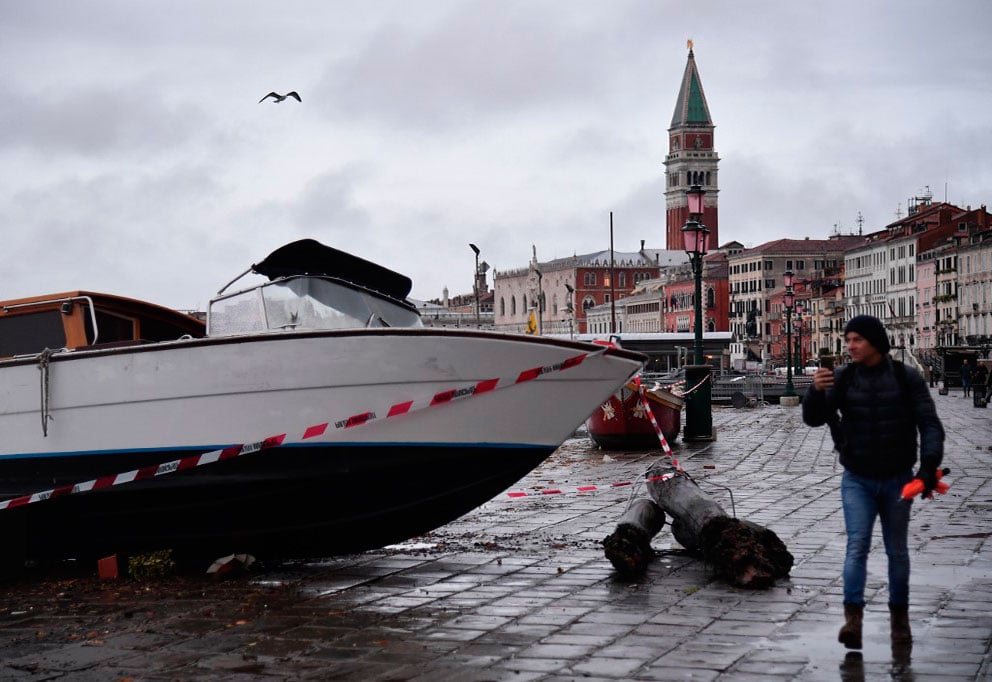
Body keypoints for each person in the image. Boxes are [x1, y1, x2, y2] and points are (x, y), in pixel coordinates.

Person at [802, 315, 944, 651]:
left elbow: (930, 424)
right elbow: (812, 419)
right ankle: (853, 620)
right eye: (848, 339)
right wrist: (814, 391)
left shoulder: (905, 377)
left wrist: (928, 468)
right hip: (858, 478)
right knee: (857, 545)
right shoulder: (842, 378)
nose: (849, 346)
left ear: (875, 342)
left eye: (857, 340)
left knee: (897, 551)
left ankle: (900, 621)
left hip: (898, 477)